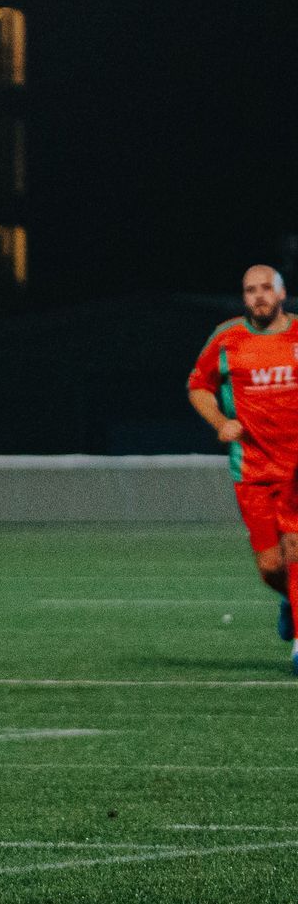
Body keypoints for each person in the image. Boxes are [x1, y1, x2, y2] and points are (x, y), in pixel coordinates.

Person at [188, 265, 298, 661]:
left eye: (266, 288)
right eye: (250, 290)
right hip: (251, 470)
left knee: (296, 549)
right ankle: (290, 603)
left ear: (282, 294)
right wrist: (221, 422)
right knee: (271, 566)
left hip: (296, 471)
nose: (258, 296)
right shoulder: (228, 338)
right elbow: (198, 386)